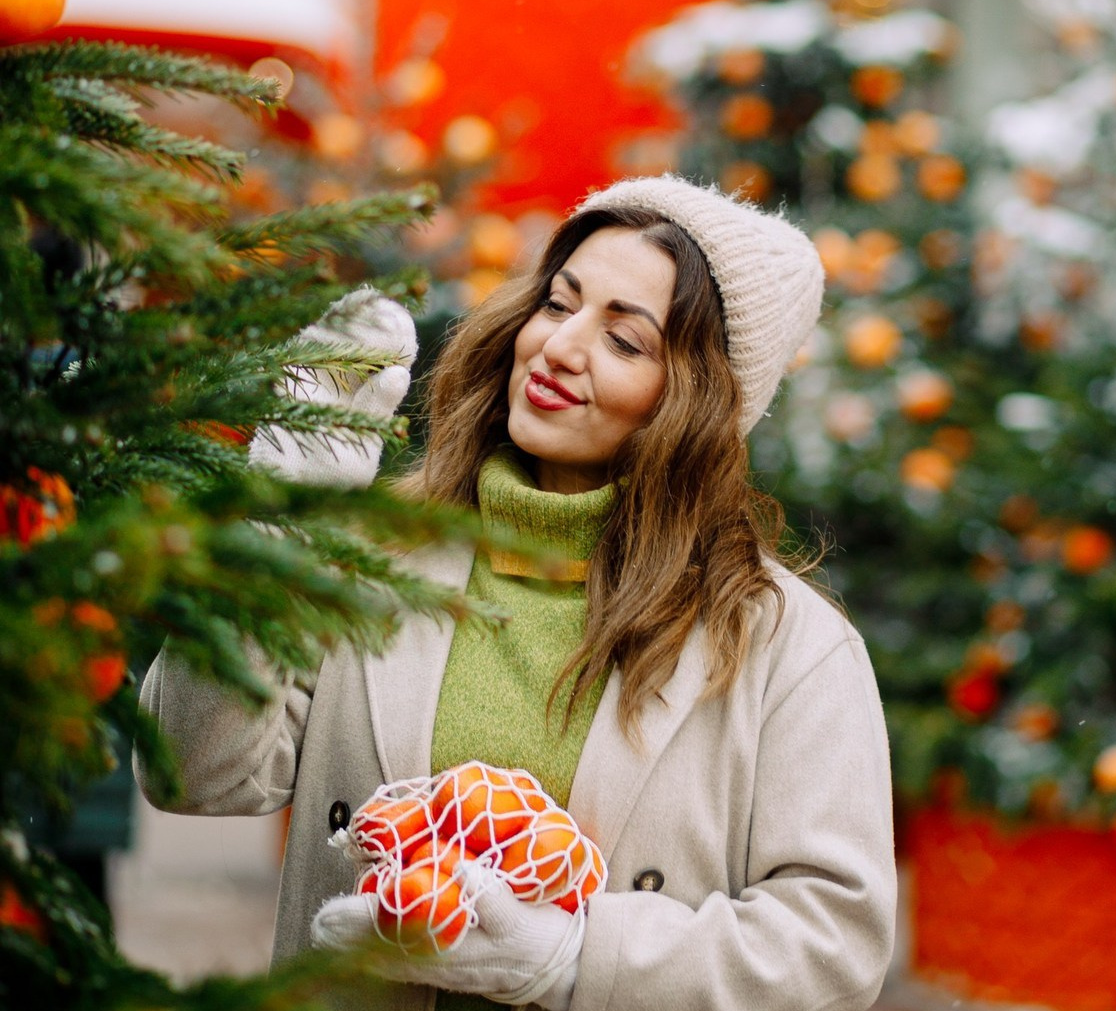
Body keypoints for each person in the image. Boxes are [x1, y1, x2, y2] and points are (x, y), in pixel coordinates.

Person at [134, 174, 897, 1011]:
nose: (561, 349)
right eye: (559, 303)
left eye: (626, 342)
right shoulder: (374, 558)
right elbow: (192, 774)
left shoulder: (787, 647)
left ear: (696, 404)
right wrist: (274, 526)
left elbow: (832, 946)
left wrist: (574, 959)